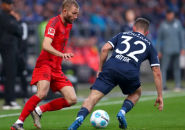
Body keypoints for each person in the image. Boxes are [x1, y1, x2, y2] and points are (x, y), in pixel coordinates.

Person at [68, 18, 163, 130]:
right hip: (129, 72)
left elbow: (104, 49)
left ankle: (79, 118)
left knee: (92, 98)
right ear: (147, 33)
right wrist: (160, 95)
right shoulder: (150, 46)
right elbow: (157, 73)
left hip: (111, 67)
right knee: (136, 93)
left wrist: (100, 69)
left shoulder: (122, 35)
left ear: (133, 28)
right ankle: (122, 112)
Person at [10, 0, 79, 130]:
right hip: (45, 63)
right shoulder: (53, 23)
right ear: (65, 11)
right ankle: (18, 123)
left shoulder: (69, 24)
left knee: (72, 99)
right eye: (74, 13)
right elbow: (46, 45)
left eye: (77, 14)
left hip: (56, 67)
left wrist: (63, 54)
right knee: (42, 93)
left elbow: (60, 43)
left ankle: (39, 111)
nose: (76, 16)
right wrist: (60, 54)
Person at [0, 0, 23, 110]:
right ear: (2, 4)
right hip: (6, 47)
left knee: (12, 74)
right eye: (8, 4)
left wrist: (15, 22)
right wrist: (15, 20)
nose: (10, 6)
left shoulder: (9, 16)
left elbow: (20, 31)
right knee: (10, 74)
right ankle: (9, 101)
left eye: (11, 4)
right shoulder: (2, 15)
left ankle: (10, 100)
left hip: (13, 48)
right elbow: (13, 28)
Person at [156, 9, 185, 91]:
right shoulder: (163, 24)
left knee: (177, 68)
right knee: (164, 68)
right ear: (166, 15)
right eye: (169, 14)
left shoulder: (178, 23)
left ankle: (178, 84)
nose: (170, 16)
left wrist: (183, 48)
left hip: (177, 49)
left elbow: (182, 36)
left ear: (173, 15)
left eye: (171, 14)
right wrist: (158, 50)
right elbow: (158, 39)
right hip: (166, 50)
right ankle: (163, 85)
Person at [11, 9, 29, 103]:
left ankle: (25, 96)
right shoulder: (12, 25)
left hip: (21, 54)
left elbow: (23, 39)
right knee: (12, 75)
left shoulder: (22, 25)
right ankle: (12, 97)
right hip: (14, 53)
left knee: (23, 75)